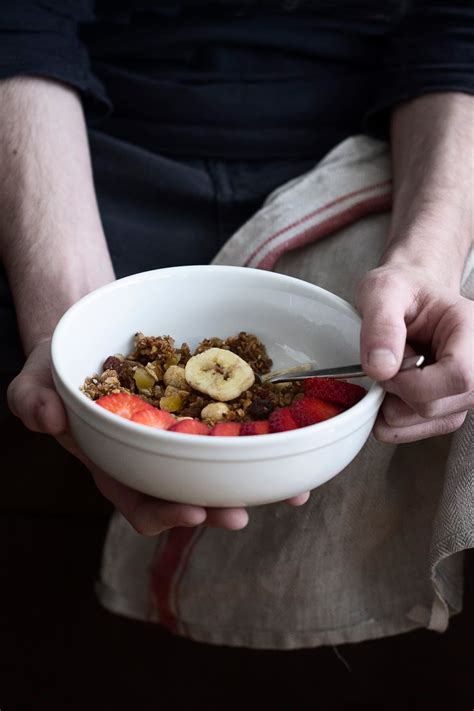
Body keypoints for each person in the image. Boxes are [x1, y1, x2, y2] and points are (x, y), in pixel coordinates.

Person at [0, 0, 472, 661]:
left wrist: (427, 260)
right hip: (91, 144)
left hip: (368, 153)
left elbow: (454, 21)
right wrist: (70, 318)